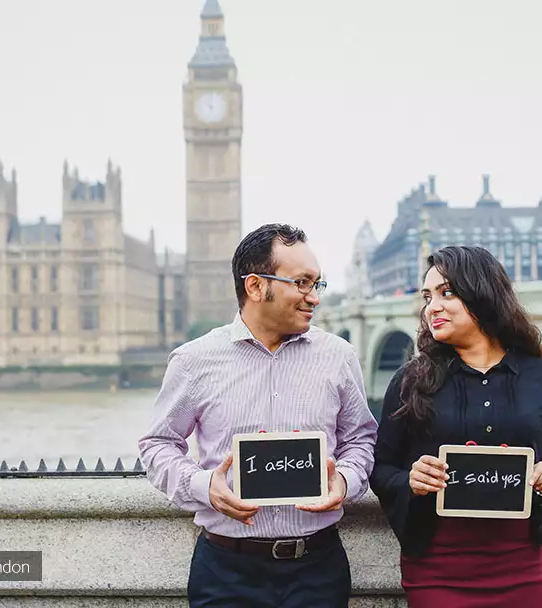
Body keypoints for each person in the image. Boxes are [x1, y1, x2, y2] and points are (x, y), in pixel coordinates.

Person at [139, 223, 378, 608]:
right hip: (225, 571)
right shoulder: (193, 361)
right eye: (301, 283)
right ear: (255, 286)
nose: (313, 297)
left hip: (318, 569)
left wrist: (345, 482)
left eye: (317, 284)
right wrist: (203, 486)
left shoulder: (339, 357)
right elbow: (157, 446)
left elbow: (362, 440)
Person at [369, 245, 542, 607]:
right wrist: (412, 481)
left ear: (482, 292)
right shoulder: (409, 381)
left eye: (446, 292)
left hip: (520, 567)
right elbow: (381, 469)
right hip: (437, 569)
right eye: (427, 296)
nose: (432, 306)